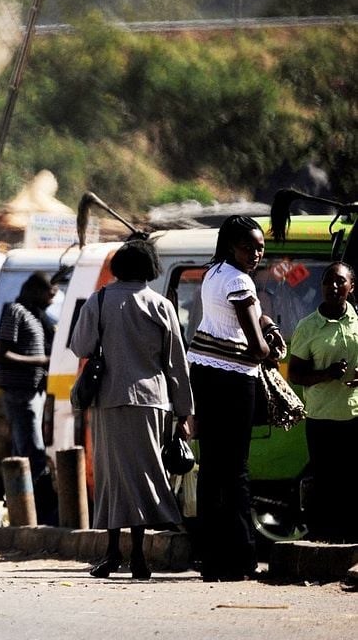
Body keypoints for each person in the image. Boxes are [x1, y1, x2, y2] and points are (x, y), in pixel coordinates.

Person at [69, 238, 194, 580]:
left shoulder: (100, 299)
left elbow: (80, 345)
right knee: (142, 478)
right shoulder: (161, 305)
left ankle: (111, 553)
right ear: (150, 268)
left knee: (112, 479)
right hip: (152, 403)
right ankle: (138, 556)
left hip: (109, 400)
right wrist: (185, 413)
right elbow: (176, 364)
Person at [186, 216, 285, 581]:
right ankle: (242, 559)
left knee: (212, 469)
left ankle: (211, 560)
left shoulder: (215, 272)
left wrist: (266, 324)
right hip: (232, 380)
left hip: (205, 374)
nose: (257, 254)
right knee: (236, 471)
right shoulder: (240, 280)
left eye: (261, 248)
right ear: (231, 246)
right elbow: (257, 347)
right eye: (250, 247)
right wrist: (272, 351)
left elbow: (250, 318)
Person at [285, 261, 358, 542]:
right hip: (321, 418)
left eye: (341, 282)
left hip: (353, 416)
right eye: (329, 281)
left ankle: (349, 541)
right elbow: (296, 375)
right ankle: (322, 541)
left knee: (351, 482)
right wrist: (325, 375)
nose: (334, 287)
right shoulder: (308, 326)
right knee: (325, 482)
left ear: (352, 287)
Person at [0, 271, 58, 521]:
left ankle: (28, 513)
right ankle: (38, 515)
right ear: (34, 291)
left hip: (34, 393)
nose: (52, 300)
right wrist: (42, 361)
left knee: (28, 452)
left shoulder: (36, 315)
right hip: (20, 393)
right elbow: (1, 355)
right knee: (33, 453)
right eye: (49, 294)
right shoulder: (15, 311)